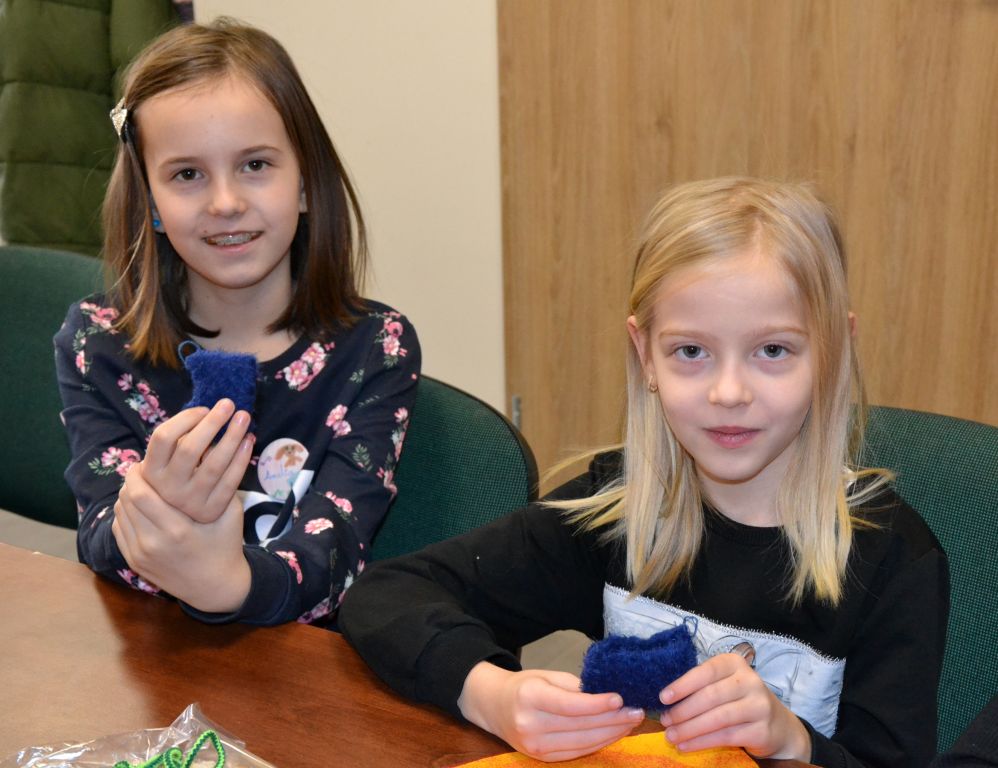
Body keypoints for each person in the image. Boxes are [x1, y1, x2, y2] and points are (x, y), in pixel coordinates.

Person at [340, 178, 948, 766]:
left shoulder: (893, 558)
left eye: (773, 350)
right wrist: (491, 693)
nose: (729, 392)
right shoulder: (618, 509)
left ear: (836, 350)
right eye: (691, 351)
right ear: (645, 354)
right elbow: (386, 594)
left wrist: (792, 740)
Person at [54, 19, 420, 627]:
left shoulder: (376, 347)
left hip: (297, 666)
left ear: (305, 183)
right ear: (150, 203)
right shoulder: (98, 341)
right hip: (154, 659)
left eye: (254, 164)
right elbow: (98, 534)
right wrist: (156, 503)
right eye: (187, 174)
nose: (225, 202)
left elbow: (334, 557)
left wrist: (225, 583)